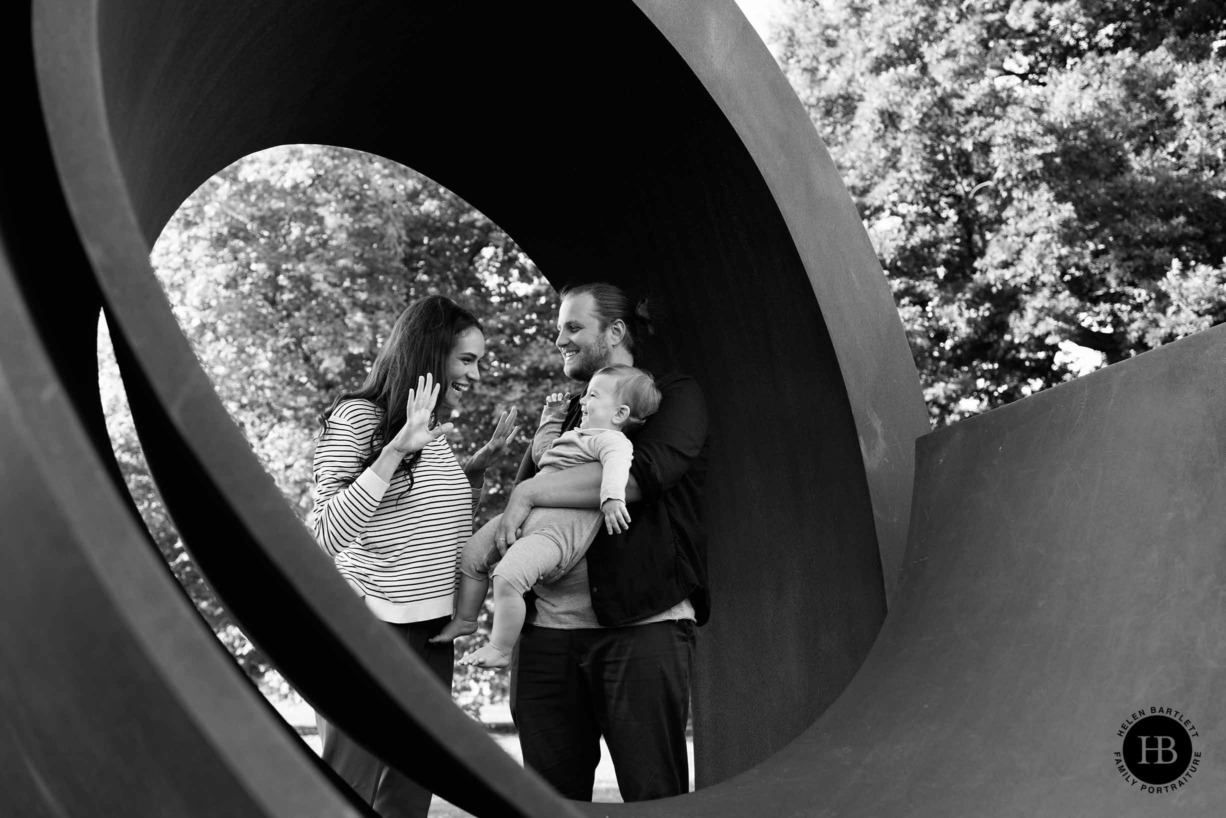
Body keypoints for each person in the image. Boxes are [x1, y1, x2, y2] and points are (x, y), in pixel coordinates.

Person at [495, 282, 710, 802]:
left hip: (642, 629)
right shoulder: (570, 411)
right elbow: (524, 503)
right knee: (547, 803)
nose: (559, 339)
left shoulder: (672, 395)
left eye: (573, 327)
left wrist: (531, 489)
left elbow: (641, 476)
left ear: (614, 332)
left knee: (653, 798)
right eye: (558, 329)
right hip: (547, 637)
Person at [308, 294, 519, 818]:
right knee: (349, 788)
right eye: (466, 359)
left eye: (479, 362)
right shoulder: (359, 417)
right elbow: (325, 534)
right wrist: (394, 449)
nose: (475, 375)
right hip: (369, 624)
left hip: (429, 629)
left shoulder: (436, 436)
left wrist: (475, 471)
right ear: (431, 352)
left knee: (408, 791)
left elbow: (432, 525)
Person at [430, 364, 662, 669]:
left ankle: (500, 647)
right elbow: (541, 453)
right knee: (472, 553)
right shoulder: (577, 435)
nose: (583, 401)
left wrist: (611, 497)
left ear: (619, 414)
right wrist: (551, 416)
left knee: (507, 576)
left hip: (554, 535)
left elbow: (619, 464)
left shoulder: (611, 440)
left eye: (593, 395)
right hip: (529, 519)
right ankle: (465, 619)